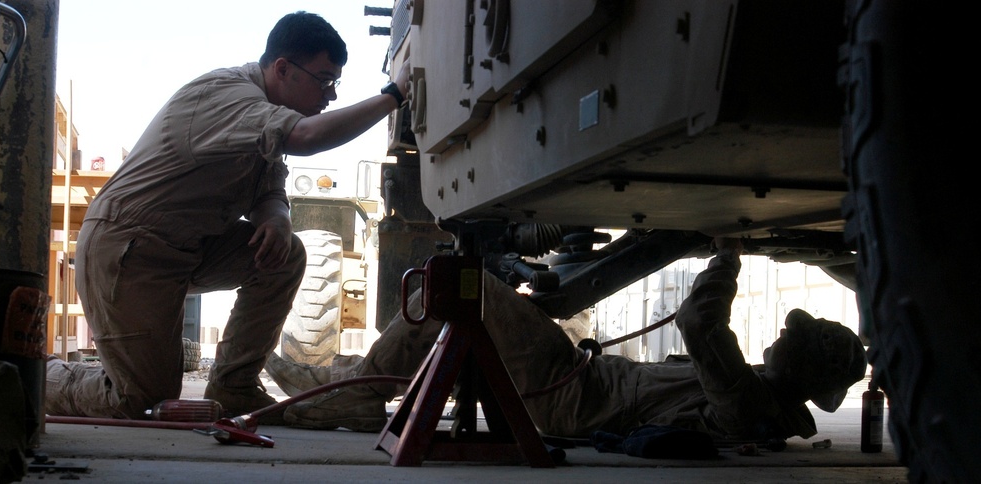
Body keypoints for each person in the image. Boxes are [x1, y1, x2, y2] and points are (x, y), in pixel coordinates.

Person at [45, 11, 410, 424]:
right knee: (139, 398)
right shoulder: (226, 95)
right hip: (131, 249)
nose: (330, 96)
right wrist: (393, 96)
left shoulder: (265, 116)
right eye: (324, 81)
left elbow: (270, 188)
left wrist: (277, 218)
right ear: (283, 69)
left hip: (187, 248)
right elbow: (307, 137)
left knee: (284, 253)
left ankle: (233, 386)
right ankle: (39, 376)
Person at [267, 237, 868, 441]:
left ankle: (351, 392)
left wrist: (726, 255)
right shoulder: (761, 393)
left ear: (810, 370)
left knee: (457, 285)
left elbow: (697, 323)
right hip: (578, 382)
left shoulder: (754, 404)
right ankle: (348, 385)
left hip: (572, 400)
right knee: (452, 284)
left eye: (801, 335)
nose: (789, 330)